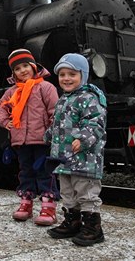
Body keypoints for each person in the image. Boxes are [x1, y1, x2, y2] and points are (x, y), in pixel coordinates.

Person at [45, 53, 107, 246]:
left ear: (83, 75)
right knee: (68, 192)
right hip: (64, 159)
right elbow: (58, 124)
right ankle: (73, 221)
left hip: (84, 158)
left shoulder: (89, 98)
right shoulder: (64, 99)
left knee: (86, 192)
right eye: (62, 74)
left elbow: (96, 123)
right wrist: (48, 135)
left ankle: (93, 228)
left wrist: (82, 138)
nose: (66, 78)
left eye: (72, 74)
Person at [0, 49, 60, 225]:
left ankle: (49, 207)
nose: (22, 70)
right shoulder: (12, 92)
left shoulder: (46, 87)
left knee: (45, 172)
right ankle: (26, 204)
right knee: (25, 172)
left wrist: (52, 132)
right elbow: (1, 107)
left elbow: (55, 111)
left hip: (41, 140)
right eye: (17, 68)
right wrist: (5, 122)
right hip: (21, 141)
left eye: (25, 66)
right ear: (13, 73)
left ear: (33, 66)